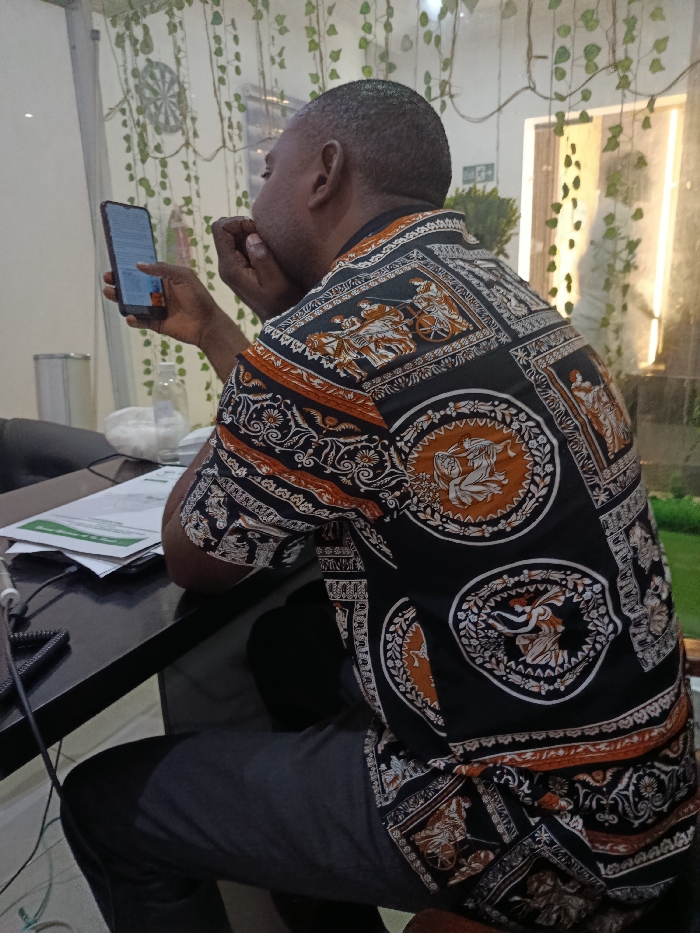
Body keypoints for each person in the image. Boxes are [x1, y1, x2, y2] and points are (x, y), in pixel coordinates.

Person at [62, 80, 697, 933]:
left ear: (324, 173)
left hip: (540, 827)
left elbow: (195, 556)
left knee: (106, 800)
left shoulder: (323, 338)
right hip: (648, 783)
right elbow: (334, 424)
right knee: (287, 649)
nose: (256, 194)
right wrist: (240, 331)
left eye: (269, 169)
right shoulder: (496, 288)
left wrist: (264, 340)